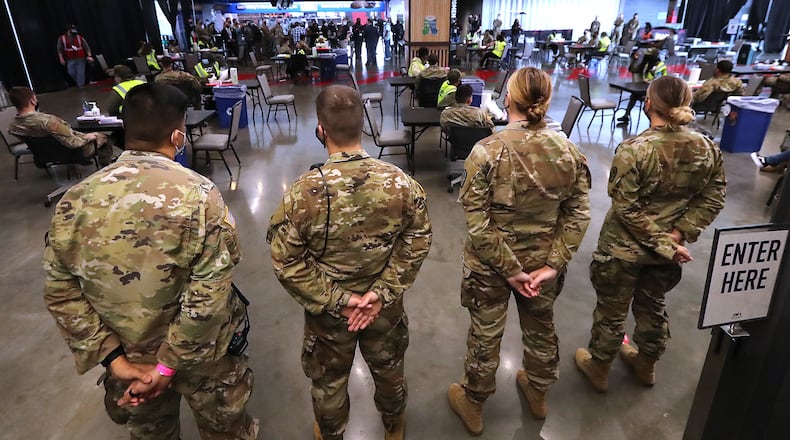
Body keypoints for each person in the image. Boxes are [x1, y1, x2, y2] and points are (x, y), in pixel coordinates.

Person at [42, 82, 259, 439]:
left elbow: (60, 291)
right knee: (225, 430)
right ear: (178, 135)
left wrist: (114, 360)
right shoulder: (198, 196)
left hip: (130, 359)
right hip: (199, 357)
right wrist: (169, 364)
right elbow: (210, 293)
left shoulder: (74, 200)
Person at [268, 85, 432, 440]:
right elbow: (417, 241)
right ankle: (394, 424)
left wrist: (340, 300)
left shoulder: (302, 193)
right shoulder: (401, 184)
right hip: (383, 308)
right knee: (389, 370)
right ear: (362, 126)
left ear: (320, 130)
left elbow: (286, 261)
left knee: (329, 380)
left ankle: (332, 432)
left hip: (329, 314)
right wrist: (380, 293)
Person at [447, 67, 591, 435]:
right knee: (541, 328)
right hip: (542, 266)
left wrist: (509, 268)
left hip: (490, 267)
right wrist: (554, 265)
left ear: (508, 100)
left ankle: (474, 402)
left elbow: (477, 221)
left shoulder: (487, 152)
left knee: (485, 332)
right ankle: (539, 393)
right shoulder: (568, 151)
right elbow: (578, 212)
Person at [575, 76, 726, 393]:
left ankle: (599, 366)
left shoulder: (635, 150)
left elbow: (626, 208)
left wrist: (663, 242)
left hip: (622, 251)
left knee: (612, 311)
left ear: (648, 103)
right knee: (652, 306)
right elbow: (713, 197)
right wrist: (677, 235)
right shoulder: (707, 148)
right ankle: (646, 363)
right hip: (666, 253)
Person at [8, 86, 114, 167]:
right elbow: (73, 143)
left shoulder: (13, 126)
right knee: (105, 138)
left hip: (43, 155)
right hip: (71, 152)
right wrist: (88, 137)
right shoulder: (48, 122)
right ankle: (106, 168)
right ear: (33, 100)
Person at [617, 48, 667, 126]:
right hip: (645, 88)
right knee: (634, 96)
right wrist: (634, 60)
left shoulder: (660, 65)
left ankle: (653, 122)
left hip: (656, 91)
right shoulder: (647, 64)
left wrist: (650, 81)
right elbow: (633, 69)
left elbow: (659, 80)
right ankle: (626, 115)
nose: (646, 57)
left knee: (647, 103)